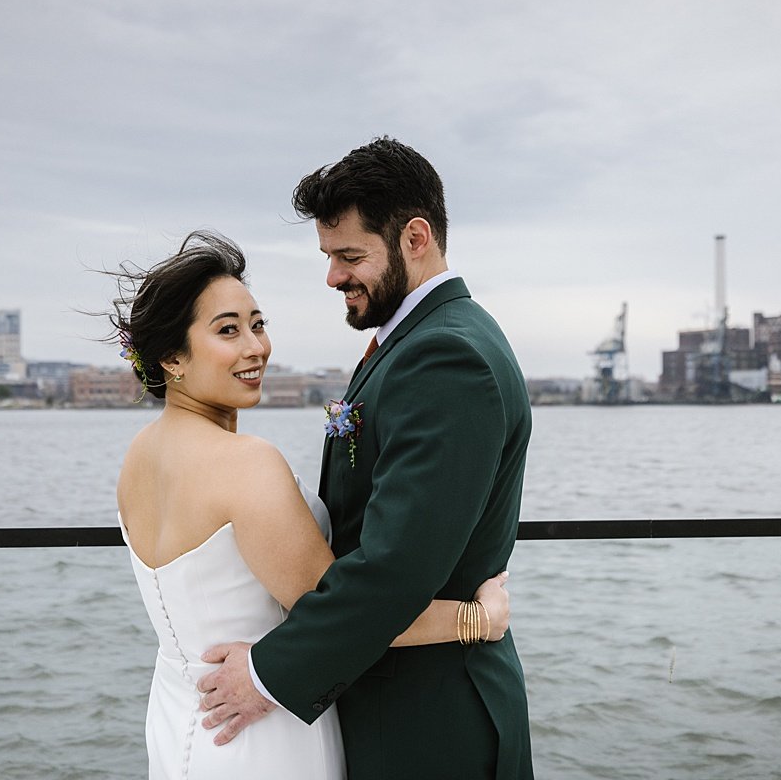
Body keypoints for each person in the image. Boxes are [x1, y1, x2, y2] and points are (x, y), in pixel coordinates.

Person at [110, 230, 512, 779]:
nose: (256, 348)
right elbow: (340, 609)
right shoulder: (246, 463)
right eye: (228, 330)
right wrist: (476, 620)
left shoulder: (138, 456)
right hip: (260, 731)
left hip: (180, 716)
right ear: (171, 358)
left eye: (257, 324)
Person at [197, 138, 535, 779]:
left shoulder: (446, 358)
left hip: (432, 724)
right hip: (397, 701)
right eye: (328, 256)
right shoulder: (415, 341)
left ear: (415, 238)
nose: (332, 277)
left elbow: (394, 568)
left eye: (350, 256)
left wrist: (267, 674)